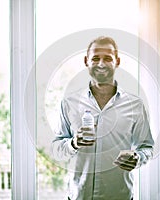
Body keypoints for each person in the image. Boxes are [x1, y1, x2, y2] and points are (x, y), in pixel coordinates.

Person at [50, 36, 154, 200]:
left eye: (107, 58)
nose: (101, 63)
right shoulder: (69, 103)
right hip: (79, 196)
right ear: (86, 61)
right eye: (95, 58)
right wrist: (73, 143)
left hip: (119, 196)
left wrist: (137, 157)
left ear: (117, 61)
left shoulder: (135, 105)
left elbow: (147, 147)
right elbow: (56, 149)